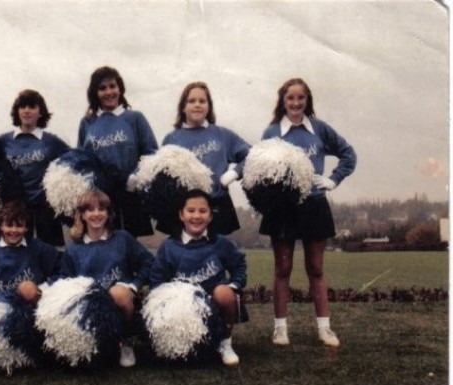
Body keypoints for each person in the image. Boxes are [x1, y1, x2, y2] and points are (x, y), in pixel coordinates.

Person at [261, 78, 357, 347]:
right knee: (283, 268)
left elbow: (349, 154)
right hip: (282, 208)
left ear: (307, 100)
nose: (295, 103)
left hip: (314, 204)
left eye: (300, 98)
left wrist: (333, 179)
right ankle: (280, 329)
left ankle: (324, 328)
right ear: (283, 101)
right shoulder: (271, 133)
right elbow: (259, 170)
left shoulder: (320, 129)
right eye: (290, 98)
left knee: (315, 268)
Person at [150, 189, 247, 366]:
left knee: (224, 292)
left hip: (215, 306)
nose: (196, 216)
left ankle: (225, 343)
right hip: (183, 310)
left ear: (210, 216)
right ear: (181, 215)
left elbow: (239, 265)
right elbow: (157, 282)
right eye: (191, 211)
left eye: (203, 211)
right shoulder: (169, 247)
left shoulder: (220, 243)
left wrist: (235, 285)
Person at [60, 189, 155, 367]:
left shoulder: (122, 238)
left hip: (122, 301)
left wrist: (134, 285)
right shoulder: (74, 249)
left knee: (118, 292)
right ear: (81, 215)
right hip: (93, 307)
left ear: (109, 213)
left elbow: (148, 262)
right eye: (90, 210)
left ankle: (126, 342)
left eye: (101, 209)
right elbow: (65, 281)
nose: (96, 214)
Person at [160, 81, 250, 236]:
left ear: (209, 107)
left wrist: (234, 174)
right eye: (191, 101)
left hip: (217, 205)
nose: (197, 105)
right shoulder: (172, 138)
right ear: (183, 107)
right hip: (183, 209)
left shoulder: (222, 135)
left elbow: (254, 156)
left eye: (202, 101)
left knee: (216, 257)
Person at [77, 66, 158, 237]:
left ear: (120, 88)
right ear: (94, 93)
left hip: (130, 193)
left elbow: (151, 152)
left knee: (127, 245)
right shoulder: (87, 123)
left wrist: (135, 177)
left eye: (112, 86)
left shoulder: (135, 118)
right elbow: (81, 159)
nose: (109, 92)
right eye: (102, 88)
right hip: (99, 199)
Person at [0, 89, 70, 246]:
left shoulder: (52, 142)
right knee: (15, 254)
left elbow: (72, 161)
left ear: (40, 112)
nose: (27, 111)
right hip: (15, 207)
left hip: (45, 208)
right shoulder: (4, 141)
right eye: (23, 106)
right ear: (17, 111)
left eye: (32, 106)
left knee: (50, 255)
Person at [0, 200, 62, 304]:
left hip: (36, 306)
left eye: (19, 226)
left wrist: (44, 288)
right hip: (4, 307)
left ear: (26, 228)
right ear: (1, 226)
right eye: (9, 225)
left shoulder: (37, 247)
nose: (14, 230)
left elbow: (62, 266)